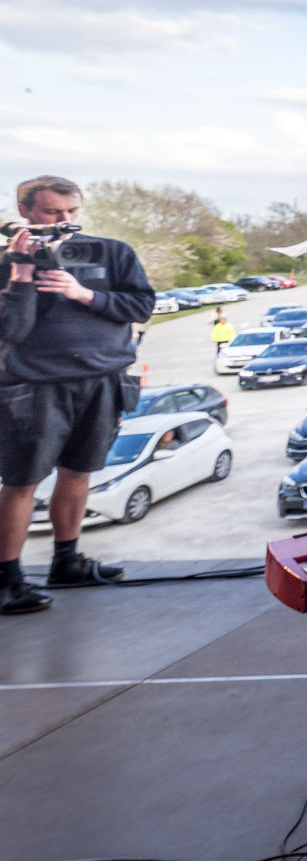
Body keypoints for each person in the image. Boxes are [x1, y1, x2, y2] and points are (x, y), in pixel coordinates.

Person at [1, 176, 156, 615]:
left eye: (71, 212)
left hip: (102, 378)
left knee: (79, 471)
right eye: (53, 213)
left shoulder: (112, 252)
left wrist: (83, 294)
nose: (65, 221)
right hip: (34, 384)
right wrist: (22, 270)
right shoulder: (7, 261)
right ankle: (7, 579)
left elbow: (142, 306)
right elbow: (11, 330)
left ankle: (66, 562)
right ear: (28, 211)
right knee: (21, 482)